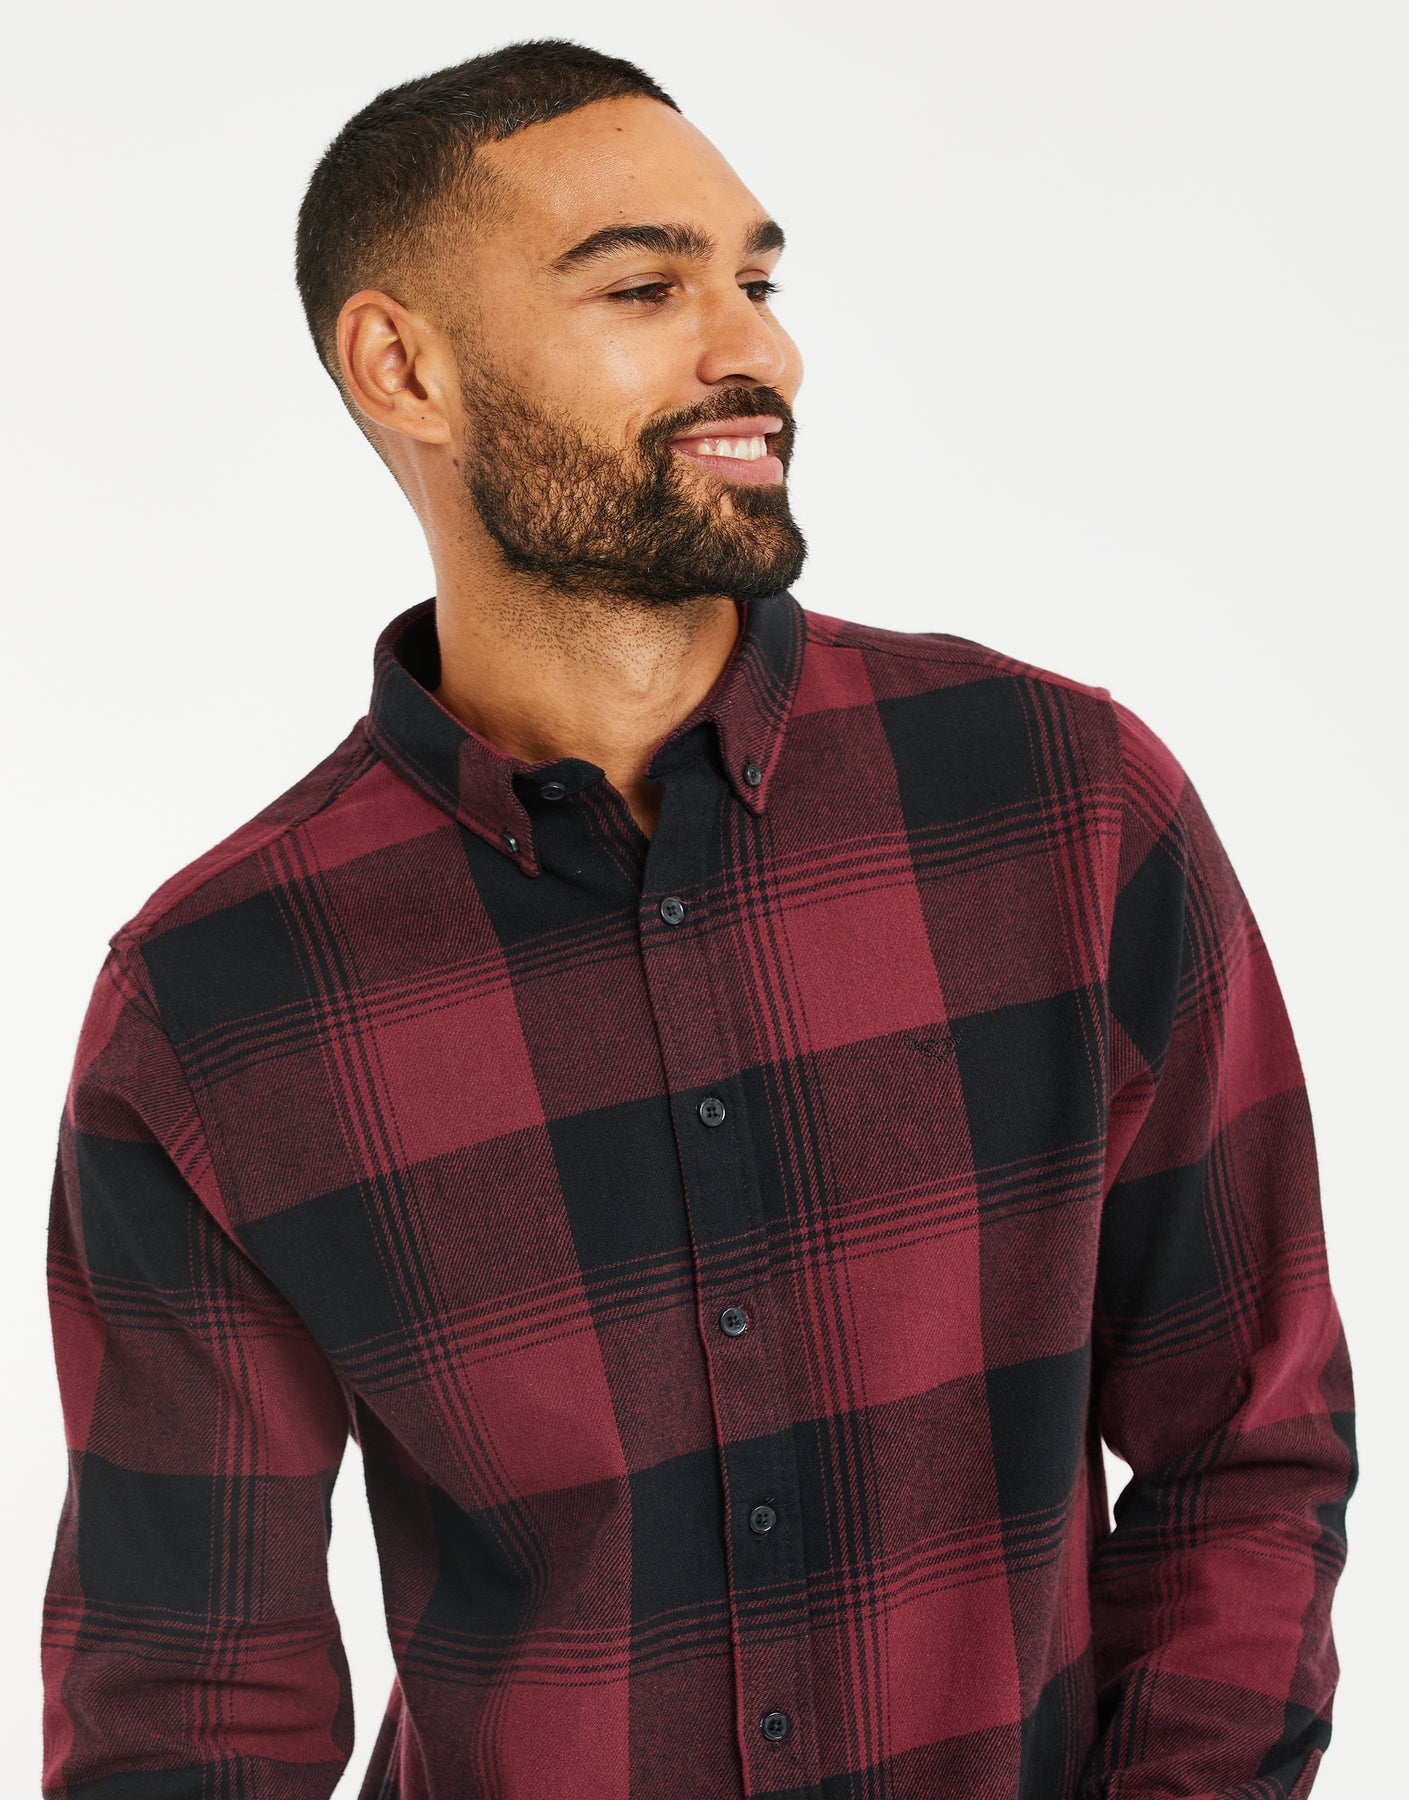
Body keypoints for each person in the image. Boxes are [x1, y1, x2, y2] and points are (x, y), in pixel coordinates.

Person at [40, 37, 1355, 1800]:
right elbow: (190, 1705)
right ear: (404, 365)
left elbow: (1245, 1451)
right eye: (646, 288)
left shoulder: (1060, 805)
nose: (758, 351)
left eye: (756, 281)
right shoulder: (221, 998)